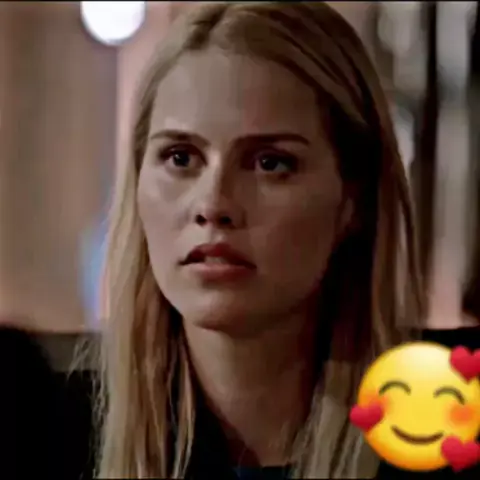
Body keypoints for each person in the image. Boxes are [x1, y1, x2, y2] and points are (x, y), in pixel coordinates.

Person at [96, 2, 425, 478]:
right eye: (181, 157)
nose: (213, 204)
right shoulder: (42, 432)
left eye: (270, 163)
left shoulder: (448, 429)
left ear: (352, 200)